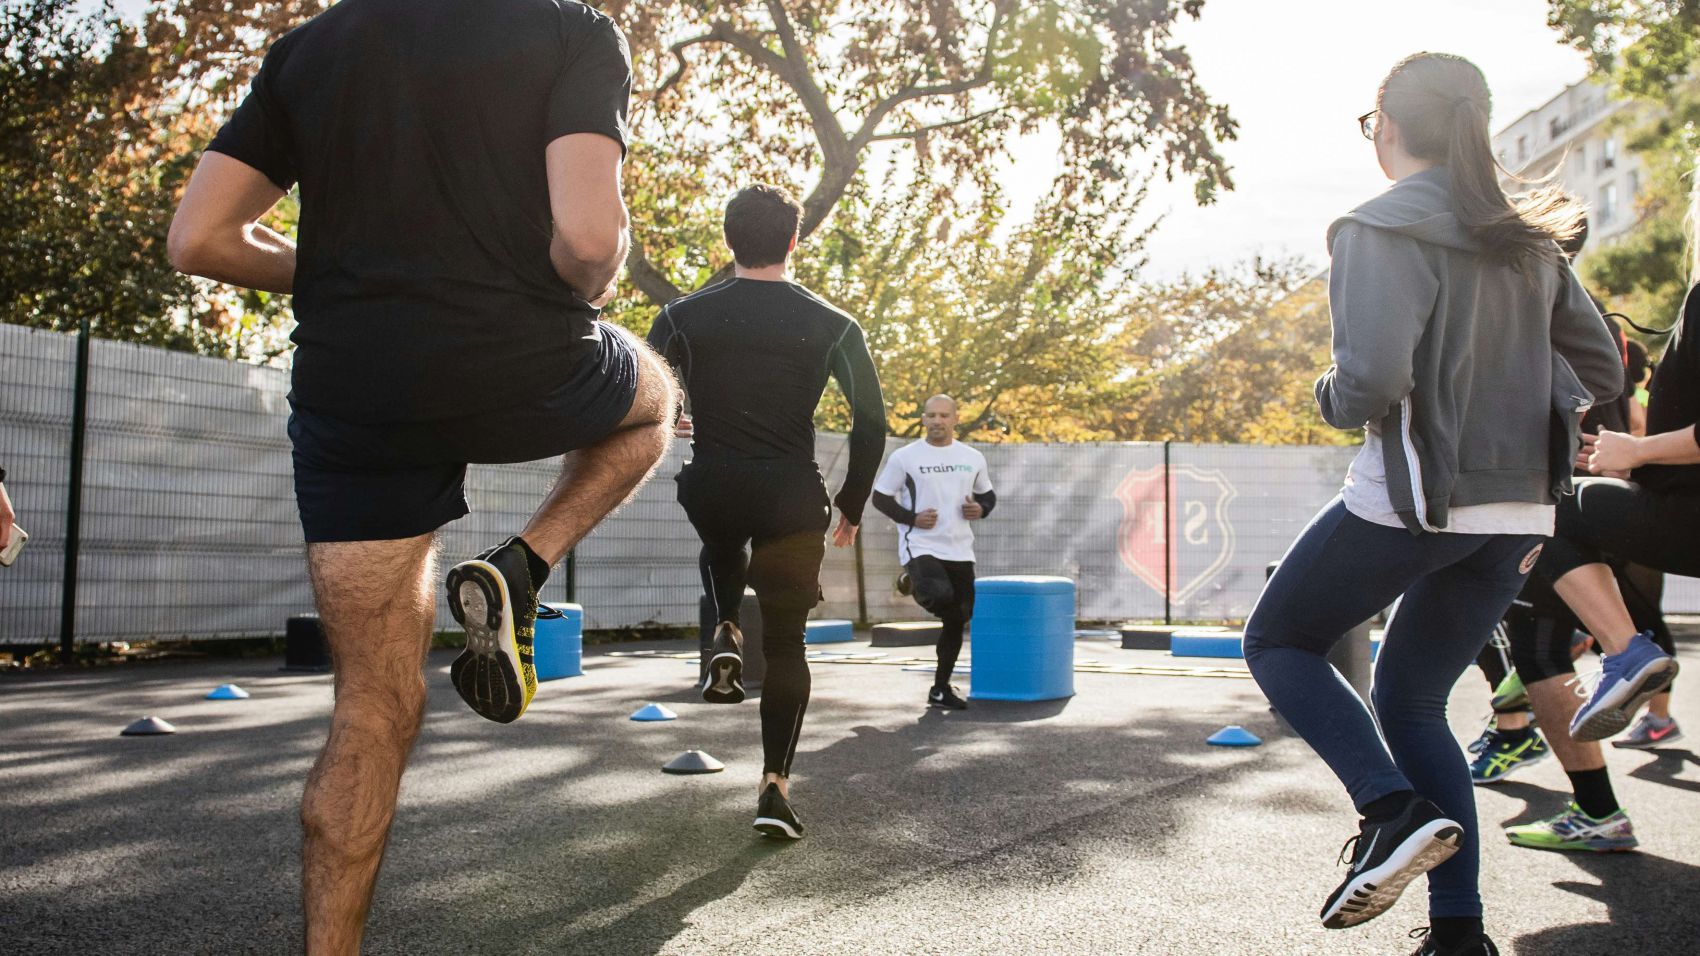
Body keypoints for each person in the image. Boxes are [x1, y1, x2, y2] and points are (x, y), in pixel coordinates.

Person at [167, 2, 675, 951]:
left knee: (367, 708)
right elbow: (590, 244)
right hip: (517, 357)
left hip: (355, 393)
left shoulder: (312, 48)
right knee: (654, 401)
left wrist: (342, 272)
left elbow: (199, 240)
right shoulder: (567, 29)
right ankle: (524, 564)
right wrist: (588, 281)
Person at [1240, 53, 1621, 956]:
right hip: (1523, 513)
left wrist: (1329, 396)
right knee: (1412, 702)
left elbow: (1370, 379)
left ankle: (1388, 809)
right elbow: (1602, 371)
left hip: (1416, 503)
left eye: (1371, 123)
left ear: (1391, 127)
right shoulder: (1528, 241)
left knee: (1278, 640)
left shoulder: (1376, 228)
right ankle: (1459, 936)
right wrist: (1512, 392)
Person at [647, 184, 886, 841]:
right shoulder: (834, 323)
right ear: (793, 241)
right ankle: (775, 786)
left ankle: (725, 625)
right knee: (787, 646)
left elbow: (644, 396)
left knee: (721, 535)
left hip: (715, 482)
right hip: (792, 495)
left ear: (729, 240)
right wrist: (853, 501)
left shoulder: (680, 316)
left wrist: (677, 418)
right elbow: (872, 424)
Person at [869, 395, 996, 710]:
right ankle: (912, 577)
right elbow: (880, 498)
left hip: (960, 548)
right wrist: (911, 519)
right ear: (923, 419)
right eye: (931, 416)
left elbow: (988, 496)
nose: (937, 421)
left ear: (955, 419)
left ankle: (940, 689)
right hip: (921, 545)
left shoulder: (973, 457)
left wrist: (980, 508)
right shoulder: (905, 458)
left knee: (959, 616)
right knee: (939, 597)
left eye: (944, 415)